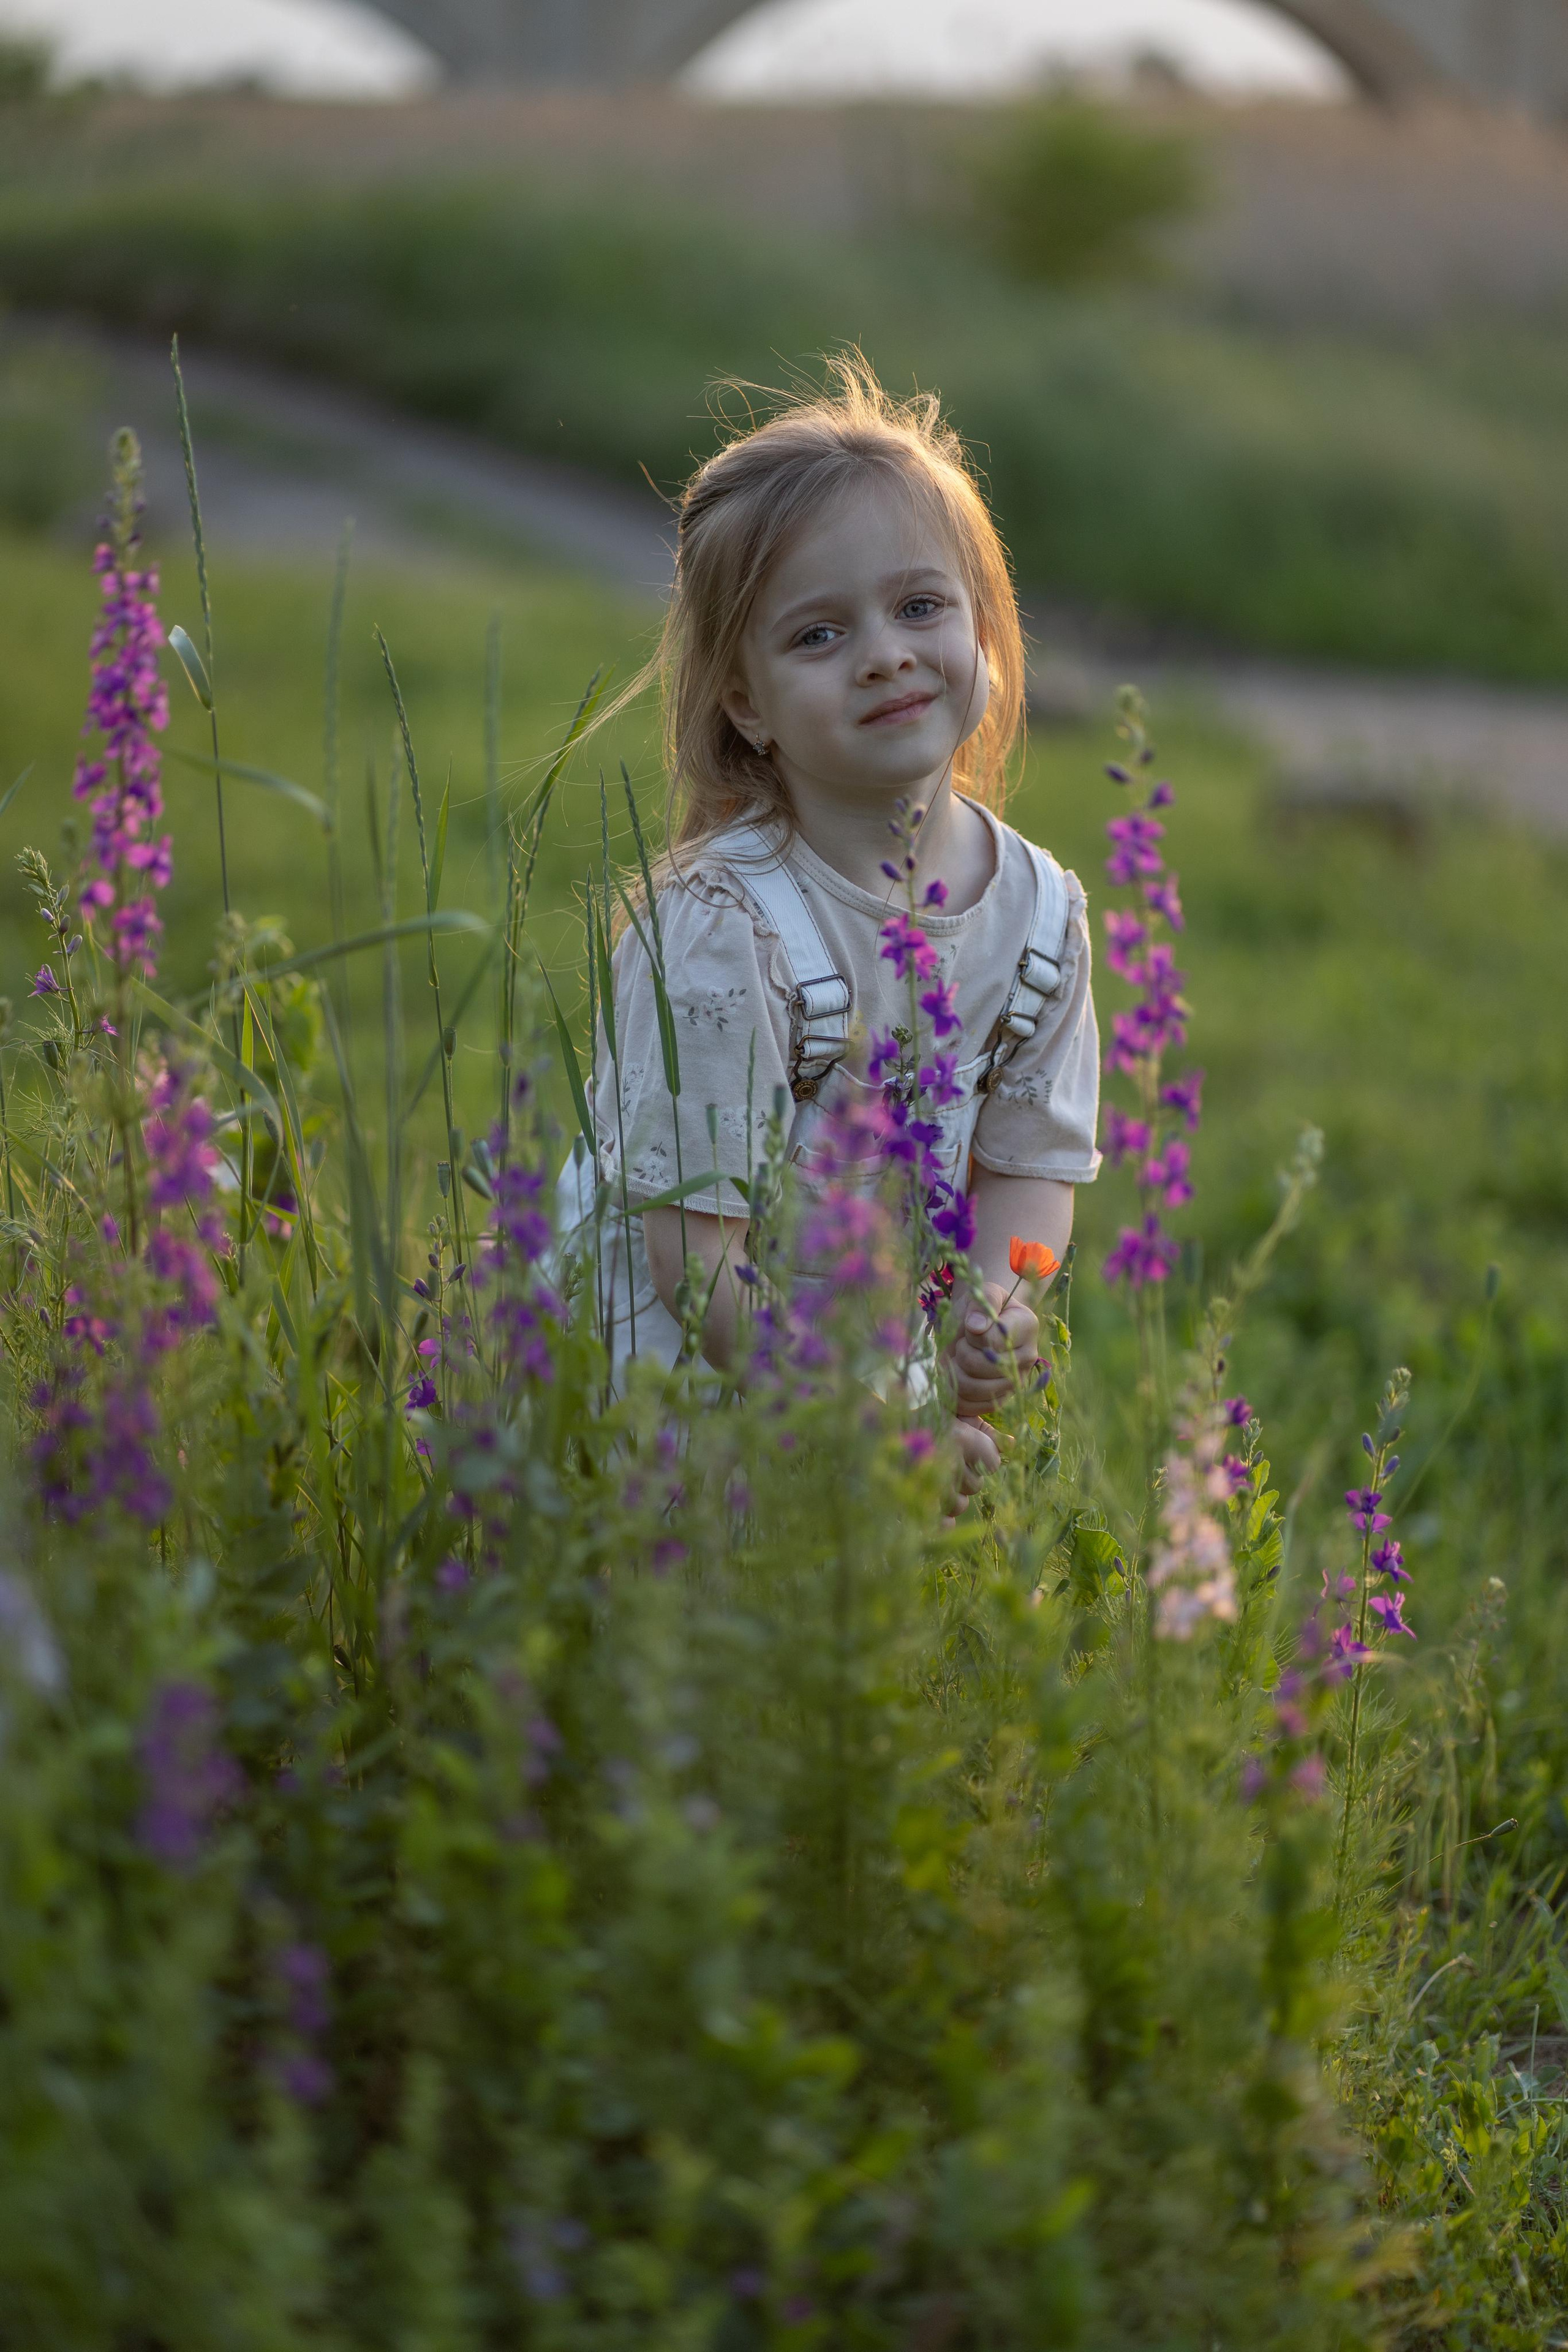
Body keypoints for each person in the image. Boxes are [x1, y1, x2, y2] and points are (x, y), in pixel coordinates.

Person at [568, 355, 1100, 1492]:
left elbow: (1031, 1166)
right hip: (695, 1401)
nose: (886, 654)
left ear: (988, 641)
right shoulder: (724, 930)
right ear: (745, 704)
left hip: (880, 1383)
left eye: (919, 607)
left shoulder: (1042, 914)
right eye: (818, 635)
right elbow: (694, 1269)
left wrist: (1002, 1300)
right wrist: (879, 1432)